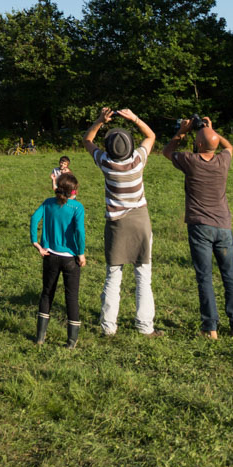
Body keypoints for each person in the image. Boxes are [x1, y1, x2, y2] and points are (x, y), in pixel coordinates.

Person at [163, 115, 233, 339]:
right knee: (230, 277)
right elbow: (228, 147)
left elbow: (167, 151)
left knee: (205, 277)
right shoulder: (223, 161)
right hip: (224, 226)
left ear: (198, 145)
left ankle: (210, 327)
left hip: (200, 226)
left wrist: (182, 131)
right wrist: (212, 131)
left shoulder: (190, 160)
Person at [83, 106, 159, 337]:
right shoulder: (138, 161)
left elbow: (87, 140)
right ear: (130, 147)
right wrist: (134, 117)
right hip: (140, 222)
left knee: (113, 275)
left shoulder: (106, 163)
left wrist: (100, 120)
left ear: (109, 149)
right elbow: (151, 136)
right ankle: (145, 327)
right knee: (143, 276)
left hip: (116, 224)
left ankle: (108, 327)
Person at [29, 171, 86, 347]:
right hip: (70, 258)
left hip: (50, 255)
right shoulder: (77, 208)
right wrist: (81, 252)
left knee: (47, 293)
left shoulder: (48, 203)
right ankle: (71, 342)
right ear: (72, 192)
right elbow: (79, 232)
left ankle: (40, 338)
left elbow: (34, 219)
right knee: (72, 297)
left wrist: (36, 243)